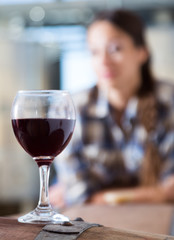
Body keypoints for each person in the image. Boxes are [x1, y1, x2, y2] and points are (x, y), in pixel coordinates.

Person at [49, 9, 174, 208]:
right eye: (94, 52)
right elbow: (79, 195)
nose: (104, 61)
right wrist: (154, 193)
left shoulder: (169, 101)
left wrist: (106, 197)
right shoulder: (72, 109)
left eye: (115, 48)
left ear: (142, 52)